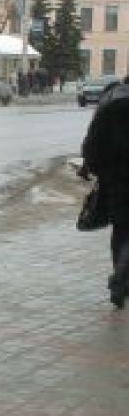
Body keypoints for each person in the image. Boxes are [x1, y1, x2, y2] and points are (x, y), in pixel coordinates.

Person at [80, 75, 129, 308]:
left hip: (115, 178)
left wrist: (92, 167)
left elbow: (93, 140)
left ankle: (119, 279)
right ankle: (120, 280)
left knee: (121, 229)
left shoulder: (110, 102)